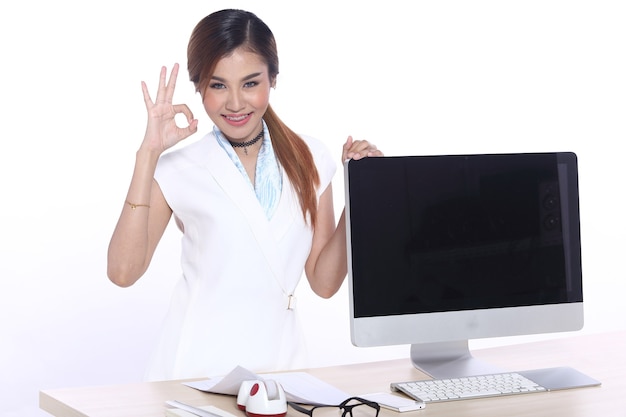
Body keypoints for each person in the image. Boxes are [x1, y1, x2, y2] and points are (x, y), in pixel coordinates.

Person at [107, 8, 382, 381]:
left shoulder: (311, 157)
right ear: (199, 85)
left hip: (281, 370)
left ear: (273, 79)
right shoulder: (180, 169)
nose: (235, 103)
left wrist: (362, 187)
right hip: (193, 374)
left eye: (250, 83)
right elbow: (123, 272)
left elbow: (324, 281)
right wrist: (148, 154)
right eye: (218, 85)